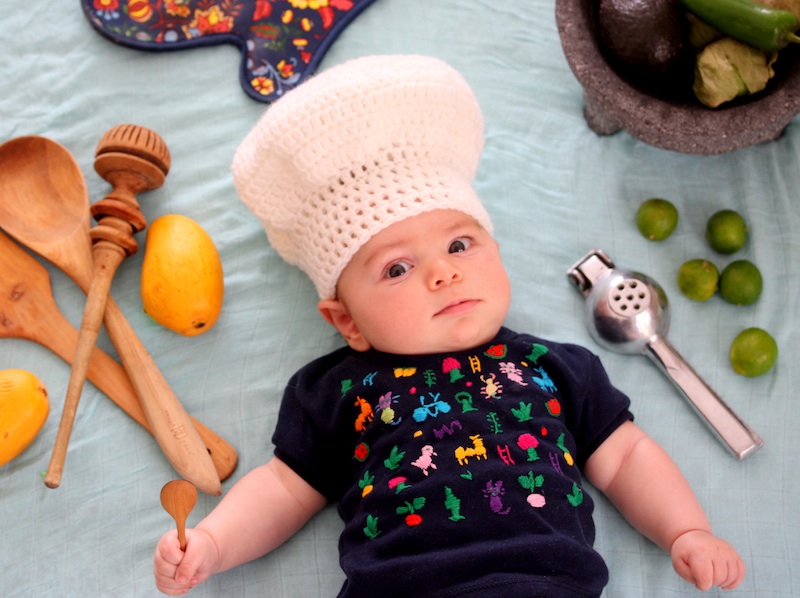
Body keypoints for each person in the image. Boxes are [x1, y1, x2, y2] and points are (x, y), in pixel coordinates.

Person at [153, 55, 745, 597]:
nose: (442, 274)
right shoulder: (338, 390)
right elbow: (283, 489)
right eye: (398, 268)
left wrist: (686, 530)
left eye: (460, 244)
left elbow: (624, 458)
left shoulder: (555, 367)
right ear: (346, 321)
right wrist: (212, 543)